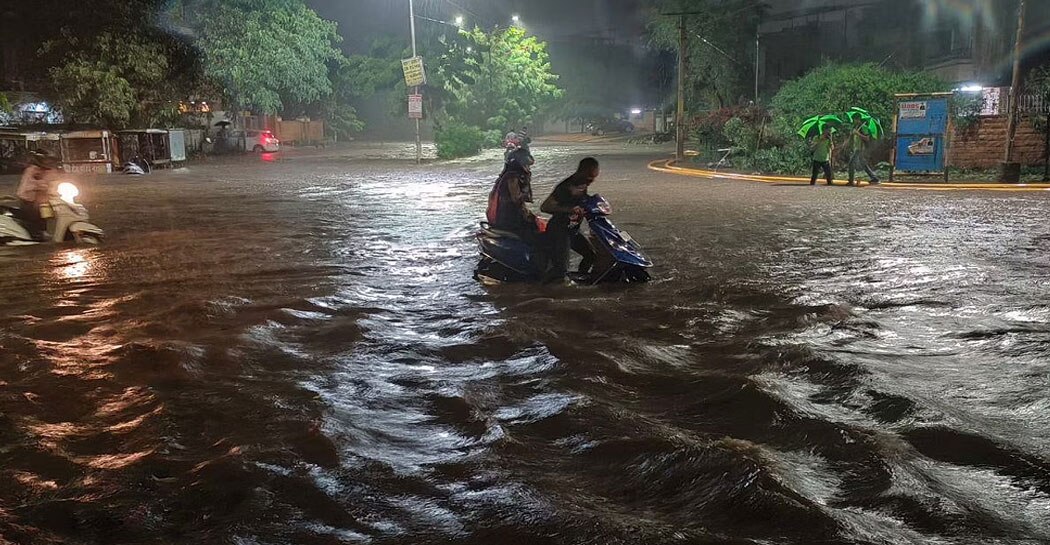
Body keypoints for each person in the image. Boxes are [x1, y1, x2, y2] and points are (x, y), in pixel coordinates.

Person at [541, 157, 599, 283]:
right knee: (561, 269)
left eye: (594, 178)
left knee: (591, 256)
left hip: (572, 230)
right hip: (560, 231)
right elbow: (545, 207)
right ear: (582, 172)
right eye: (590, 177)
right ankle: (547, 289)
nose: (591, 181)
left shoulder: (583, 184)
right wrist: (569, 209)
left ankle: (580, 282)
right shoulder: (566, 187)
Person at [16, 150, 61, 240]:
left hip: (43, 200)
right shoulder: (32, 170)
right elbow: (30, 184)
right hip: (29, 200)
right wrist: (43, 185)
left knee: (45, 217)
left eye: (49, 160)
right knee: (32, 219)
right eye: (46, 160)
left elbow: (56, 181)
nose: (48, 162)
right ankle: (32, 237)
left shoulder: (51, 170)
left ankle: (42, 233)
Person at [846, 117, 880, 186]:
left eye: (856, 119)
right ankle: (875, 178)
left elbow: (867, 138)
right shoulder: (856, 127)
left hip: (861, 149)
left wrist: (857, 133)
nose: (854, 120)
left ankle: (851, 181)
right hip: (856, 148)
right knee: (864, 165)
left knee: (851, 164)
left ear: (859, 120)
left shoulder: (863, 127)